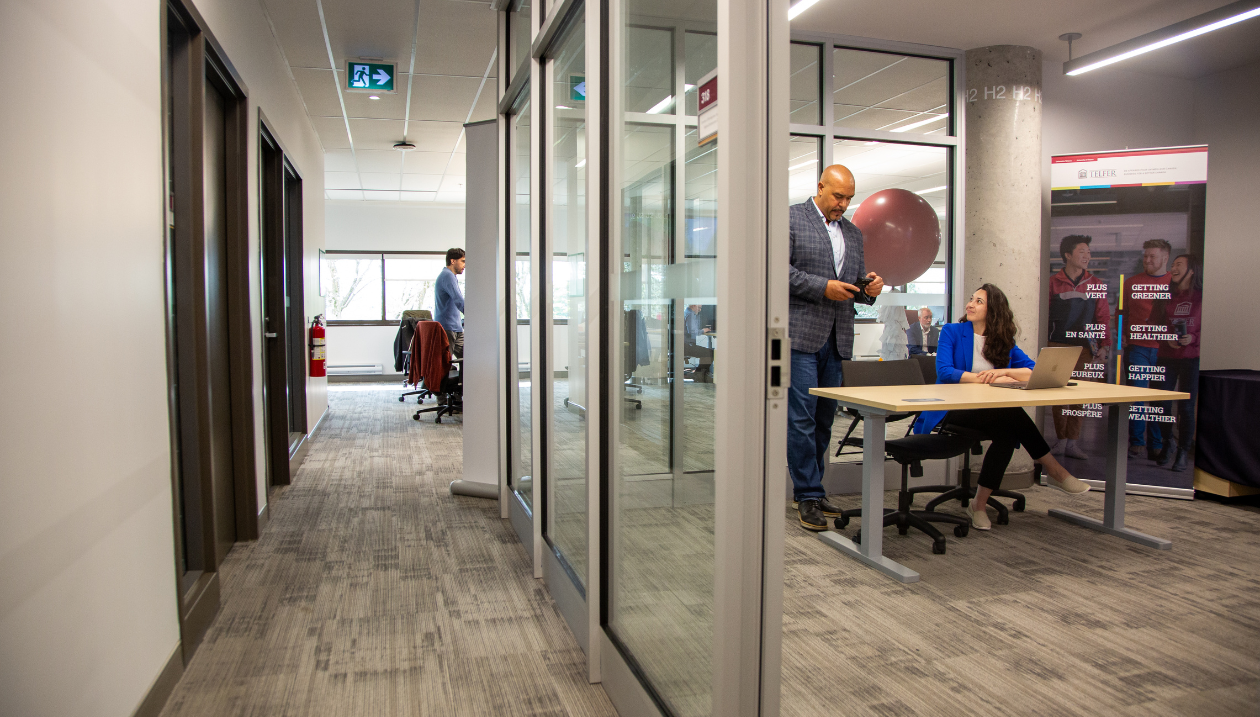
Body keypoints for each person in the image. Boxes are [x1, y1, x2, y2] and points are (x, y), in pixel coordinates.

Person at [913, 284, 1090, 530]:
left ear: (994, 310)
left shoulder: (1002, 340)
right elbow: (945, 372)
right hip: (953, 409)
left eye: (979, 301)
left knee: (1007, 434)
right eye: (971, 300)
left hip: (990, 412)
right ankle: (1055, 470)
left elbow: (1032, 370)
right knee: (1012, 415)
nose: (970, 305)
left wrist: (1005, 371)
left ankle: (979, 504)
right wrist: (990, 377)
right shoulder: (952, 332)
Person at [789, 164, 885, 531]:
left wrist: (870, 288)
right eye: (838, 196)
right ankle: (807, 494)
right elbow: (777, 271)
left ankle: (815, 487)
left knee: (825, 418)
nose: (843, 204)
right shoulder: (792, 220)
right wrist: (822, 287)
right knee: (801, 417)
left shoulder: (854, 234)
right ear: (820, 187)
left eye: (848, 198)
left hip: (838, 337)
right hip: (801, 336)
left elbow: (855, 285)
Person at [1047, 234, 1111, 460]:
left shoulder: (1096, 284)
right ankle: (1061, 441)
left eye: (1088, 252)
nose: (1087, 256)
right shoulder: (1052, 283)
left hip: (1084, 348)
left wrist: (1105, 345)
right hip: (1056, 346)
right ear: (1067, 255)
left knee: (1078, 395)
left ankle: (1072, 443)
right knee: (1057, 397)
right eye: (1082, 252)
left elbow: (1103, 316)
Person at [1150, 254, 1202, 472]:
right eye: (1173, 265)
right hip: (1166, 357)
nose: (1173, 268)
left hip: (1192, 358)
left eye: (1178, 264)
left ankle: (1182, 451)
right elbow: (1152, 324)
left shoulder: (1202, 297)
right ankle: (1168, 442)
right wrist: (1166, 337)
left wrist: (1193, 338)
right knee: (1160, 403)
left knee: (1187, 408)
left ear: (1192, 270)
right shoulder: (1165, 296)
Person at [1123, 239, 1172, 460]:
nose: (1147, 260)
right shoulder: (1132, 282)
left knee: (1159, 399)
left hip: (1164, 349)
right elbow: (1121, 312)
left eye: (1152, 256)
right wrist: (1122, 337)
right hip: (1138, 347)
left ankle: (1157, 443)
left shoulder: (1174, 282)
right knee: (1138, 397)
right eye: (1145, 256)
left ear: (1165, 258)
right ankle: (1137, 442)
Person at [435, 247, 465, 358]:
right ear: (453, 261)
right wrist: (473, 317)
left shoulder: (450, 276)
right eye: (463, 261)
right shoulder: (447, 275)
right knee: (444, 363)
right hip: (447, 328)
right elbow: (458, 300)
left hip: (456, 327)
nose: (464, 265)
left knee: (468, 359)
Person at [683, 303, 714, 382]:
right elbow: (693, 332)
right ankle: (699, 375)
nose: (700, 310)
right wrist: (703, 330)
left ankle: (699, 374)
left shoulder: (686, 313)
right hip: (686, 346)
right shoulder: (690, 314)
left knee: (708, 352)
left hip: (683, 345)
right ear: (694, 305)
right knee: (710, 353)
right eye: (699, 308)